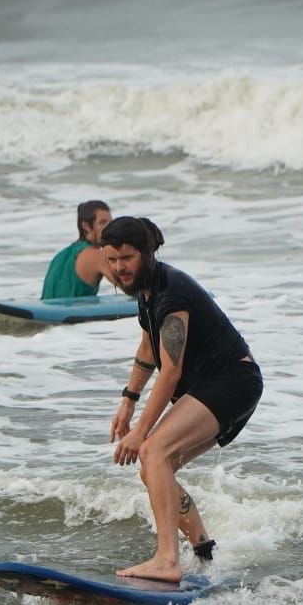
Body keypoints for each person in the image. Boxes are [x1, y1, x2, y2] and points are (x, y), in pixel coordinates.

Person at [102, 217, 262, 582]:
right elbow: (148, 345)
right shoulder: (147, 290)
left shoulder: (171, 293)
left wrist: (141, 431)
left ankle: (166, 560)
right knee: (155, 467)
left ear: (146, 253)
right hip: (214, 385)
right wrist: (128, 400)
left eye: (126, 258)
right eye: (111, 261)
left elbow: (170, 372)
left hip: (231, 381)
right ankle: (203, 549)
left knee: (152, 452)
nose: (118, 268)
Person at [41, 200, 113, 299]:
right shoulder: (97, 255)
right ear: (86, 226)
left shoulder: (59, 256)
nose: (110, 228)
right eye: (102, 223)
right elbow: (129, 288)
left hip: (44, 313)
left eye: (111, 223)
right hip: (71, 314)